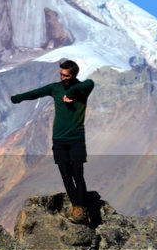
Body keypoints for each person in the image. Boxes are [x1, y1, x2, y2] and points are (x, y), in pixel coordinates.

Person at [9, 59, 95, 223]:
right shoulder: (54, 88)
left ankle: (82, 209)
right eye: (61, 74)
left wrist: (70, 94)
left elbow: (90, 83)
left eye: (66, 75)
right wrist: (18, 98)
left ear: (73, 74)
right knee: (66, 175)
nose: (63, 78)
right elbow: (36, 93)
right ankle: (77, 206)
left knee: (78, 174)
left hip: (76, 138)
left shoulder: (82, 90)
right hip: (59, 140)